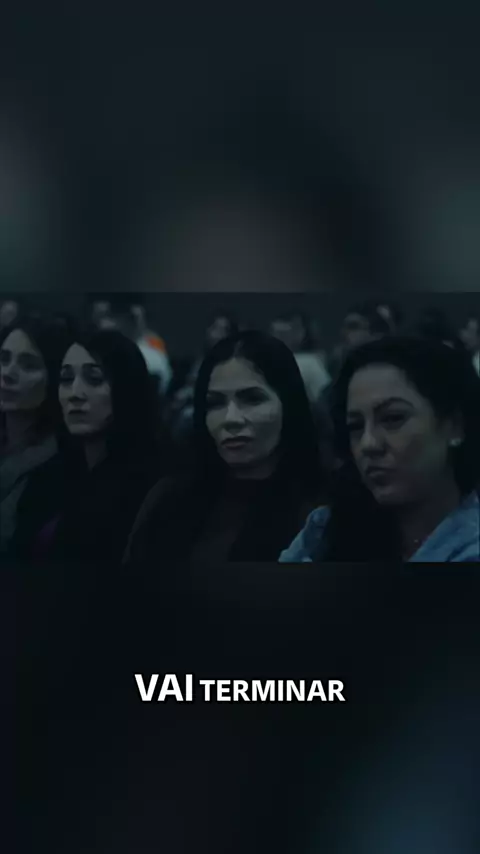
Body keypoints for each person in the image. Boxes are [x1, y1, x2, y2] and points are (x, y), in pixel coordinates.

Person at [125, 330, 326, 564]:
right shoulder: (167, 498)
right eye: (215, 403)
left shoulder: (321, 513)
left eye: (252, 399)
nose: (231, 419)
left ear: (288, 404)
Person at [280, 336, 480, 562]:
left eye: (393, 418)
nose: (368, 444)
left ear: (455, 426)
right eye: (355, 426)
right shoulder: (324, 531)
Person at [10, 329, 170, 564]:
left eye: (94, 379)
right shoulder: (48, 475)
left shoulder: (155, 486)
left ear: (126, 388)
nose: (75, 394)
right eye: (66, 379)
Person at [0, 314, 68, 554]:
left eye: (28, 365)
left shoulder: (58, 465)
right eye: (3, 359)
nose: (8, 373)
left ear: (53, 377)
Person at [269, 312, 331, 405]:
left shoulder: (309, 363)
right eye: (275, 333)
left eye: (283, 334)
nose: (277, 337)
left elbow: (325, 398)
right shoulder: (267, 361)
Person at [328, 301, 391, 379]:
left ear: (373, 333)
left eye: (353, 326)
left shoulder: (386, 370)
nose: (344, 332)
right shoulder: (339, 363)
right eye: (344, 327)